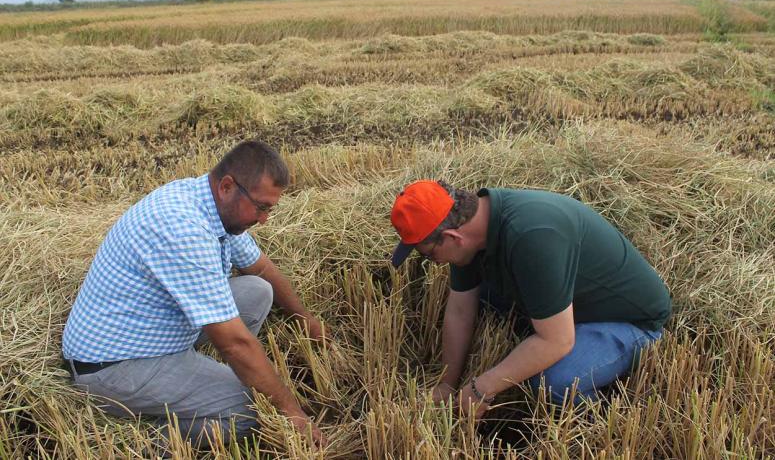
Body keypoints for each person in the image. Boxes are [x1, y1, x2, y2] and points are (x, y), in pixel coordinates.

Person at [62, 140, 327, 447]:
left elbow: (261, 268)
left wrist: (305, 318)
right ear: (228, 186)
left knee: (258, 291)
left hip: (151, 330)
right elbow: (235, 344)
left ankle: (201, 384)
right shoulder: (184, 228)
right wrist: (292, 412)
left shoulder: (212, 204)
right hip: (113, 367)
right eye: (262, 207)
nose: (264, 219)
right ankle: (143, 444)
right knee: (255, 409)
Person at [390, 180, 671, 418]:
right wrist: (447, 384)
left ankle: (602, 420)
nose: (434, 263)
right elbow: (461, 309)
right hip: (571, 302)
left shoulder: (532, 237)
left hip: (627, 320)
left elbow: (558, 340)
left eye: (429, 255)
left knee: (555, 384)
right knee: (483, 300)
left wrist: (482, 387)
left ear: (453, 237)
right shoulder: (475, 226)